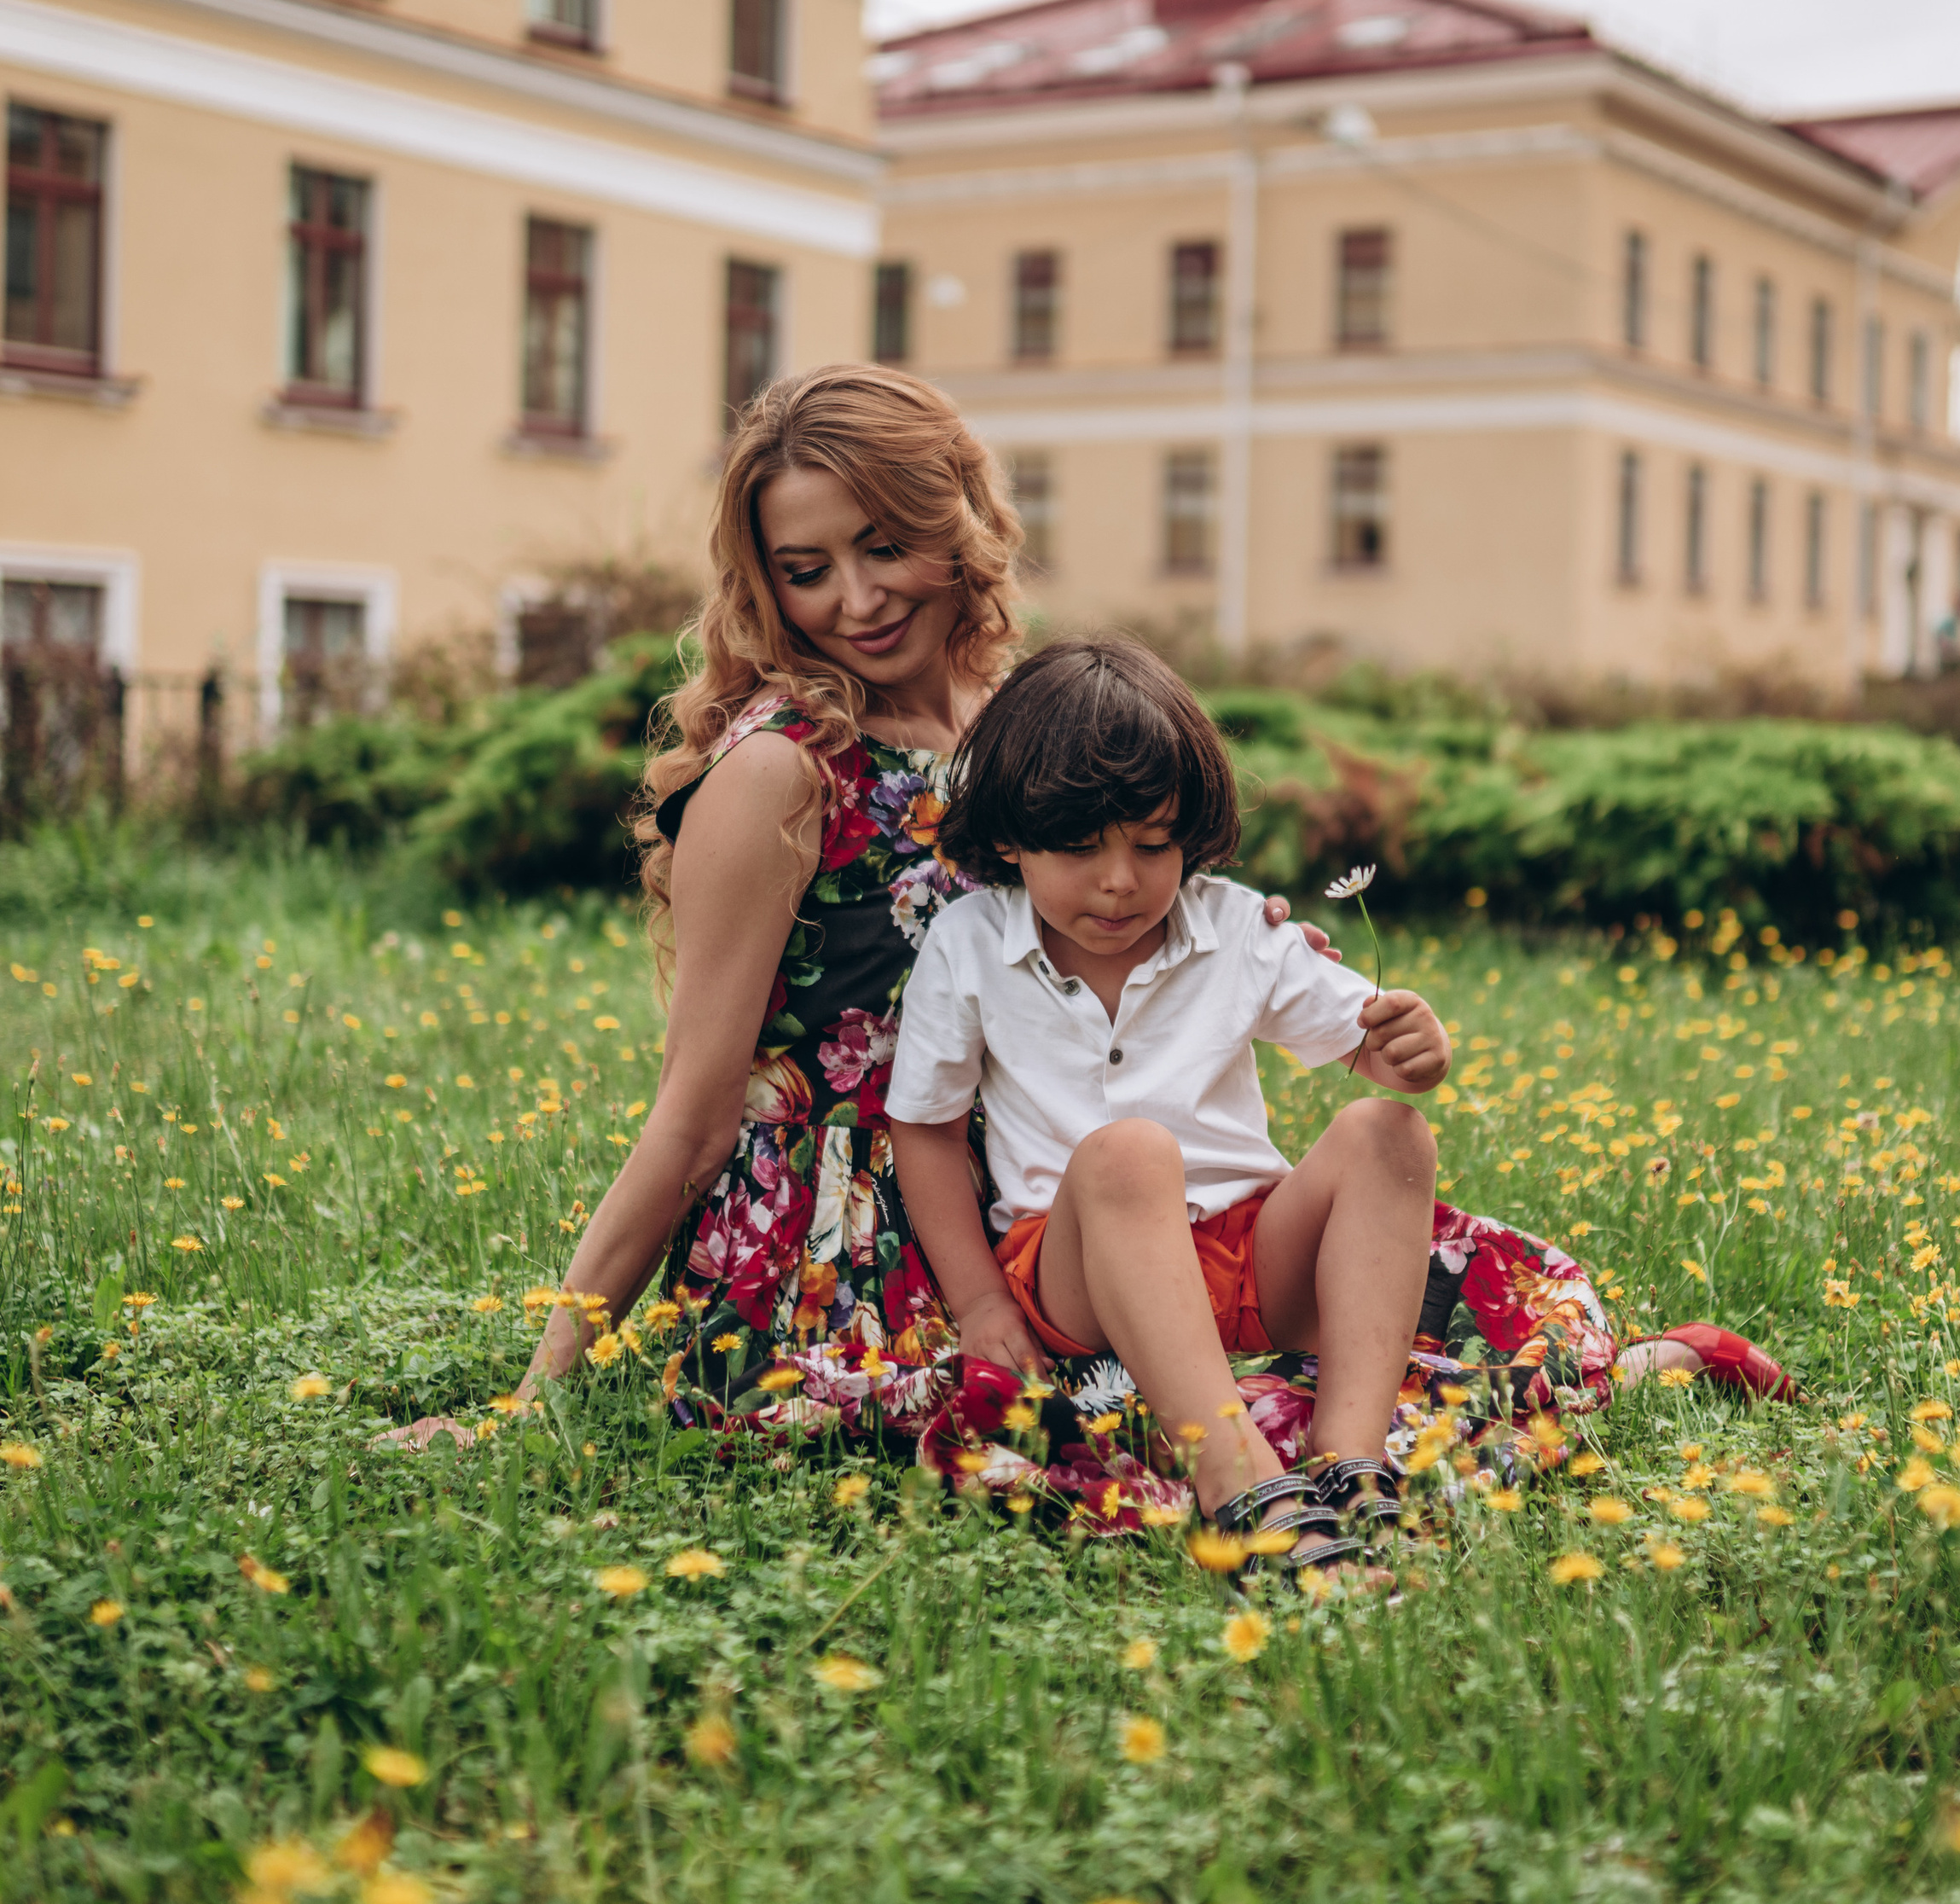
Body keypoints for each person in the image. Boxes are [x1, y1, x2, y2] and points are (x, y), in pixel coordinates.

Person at [382, 364, 1330, 1448]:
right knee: (1098, 1438)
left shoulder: (1010, 727)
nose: (858, 600)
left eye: (884, 545)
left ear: (958, 522)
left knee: (1426, 1306)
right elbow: (692, 1117)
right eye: (807, 569)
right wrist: (534, 1395)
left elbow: (1102, 925)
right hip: (852, 1244)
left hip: (1048, 1192)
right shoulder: (782, 773)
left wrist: (1228, 941)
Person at [887, 636, 1452, 1572]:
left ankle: (1351, 1455)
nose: (1119, 880)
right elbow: (929, 1130)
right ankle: (1240, 1485)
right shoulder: (969, 944)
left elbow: (1371, 1048)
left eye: (1153, 845)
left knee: (1386, 1131)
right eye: (1078, 848)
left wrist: (1412, 1053)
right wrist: (980, 1300)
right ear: (1008, 840)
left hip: (1248, 1256)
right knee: (1127, 1152)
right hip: (1077, 1272)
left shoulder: (1234, 926)